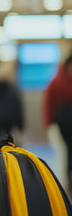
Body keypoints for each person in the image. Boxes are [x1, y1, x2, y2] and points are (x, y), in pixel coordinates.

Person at [44, 55, 72, 188]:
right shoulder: (56, 81)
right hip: (60, 125)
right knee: (62, 154)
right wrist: (49, 123)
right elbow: (48, 104)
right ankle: (63, 181)